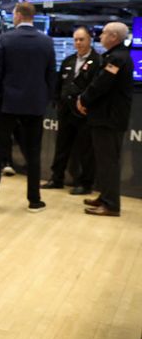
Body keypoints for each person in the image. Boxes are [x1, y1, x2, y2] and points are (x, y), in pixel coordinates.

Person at [0, 3, 56, 212]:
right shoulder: (46, 41)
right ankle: (34, 200)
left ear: (18, 15)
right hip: (34, 104)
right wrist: (46, 99)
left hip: (7, 102)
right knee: (33, 152)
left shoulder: (6, 39)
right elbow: (51, 74)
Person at [77, 22, 133, 217]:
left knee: (108, 161)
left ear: (114, 37)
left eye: (104, 34)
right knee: (103, 161)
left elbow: (101, 84)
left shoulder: (117, 58)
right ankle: (105, 196)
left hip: (109, 119)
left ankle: (111, 204)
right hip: (105, 117)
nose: (100, 36)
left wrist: (83, 99)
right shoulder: (114, 56)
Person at [42, 27, 101, 195]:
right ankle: (56, 178)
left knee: (85, 149)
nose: (78, 43)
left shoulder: (98, 61)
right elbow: (59, 84)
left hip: (84, 112)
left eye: (81, 39)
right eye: (75, 39)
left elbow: (96, 87)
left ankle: (85, 183)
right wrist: (57, 100)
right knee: (62, 146)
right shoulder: (68, 60)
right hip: (66, 110)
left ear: (90, 40)